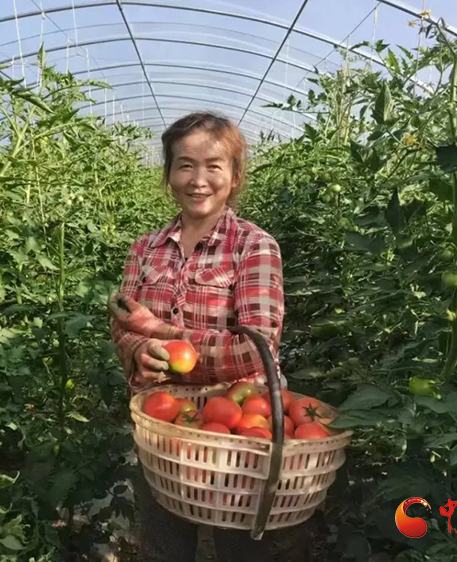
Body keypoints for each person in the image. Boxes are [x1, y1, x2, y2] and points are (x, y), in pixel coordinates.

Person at [107, 111, 285, 562]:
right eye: (184, 164)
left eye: (213, 165)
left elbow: (256, 349)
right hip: (161, 420)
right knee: (165, 537)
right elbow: (123, 322)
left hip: (238, 423)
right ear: (168, 174)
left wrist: (161, 331)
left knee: (240, 541)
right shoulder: (144, 247)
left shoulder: (253, 245)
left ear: (235, 175)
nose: (198, 179)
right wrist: (139, 349)